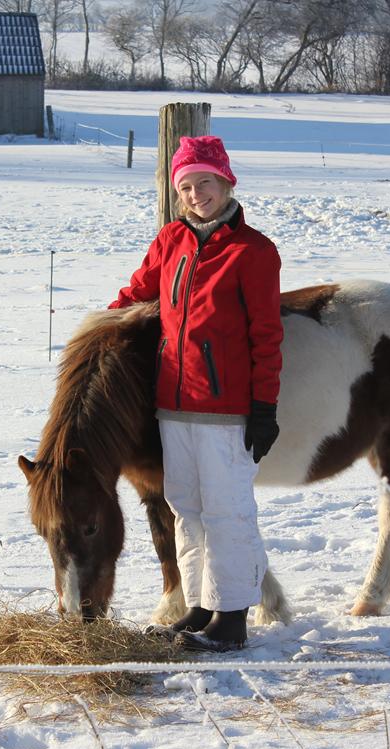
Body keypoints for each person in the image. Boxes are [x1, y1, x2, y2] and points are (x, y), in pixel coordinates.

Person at [109, 135, 282, 652]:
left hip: (226, 408)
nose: (195, 194)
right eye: (185, 186)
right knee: (185, 506)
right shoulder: (170, 242)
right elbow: (136, 293)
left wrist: (264, 407)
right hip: (172, 403)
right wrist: (99, 331)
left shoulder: (253, 251)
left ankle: (231, 620)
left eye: (204, 182)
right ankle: (200, 606)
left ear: (226, 181)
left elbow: (266, 336)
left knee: (228, 511)